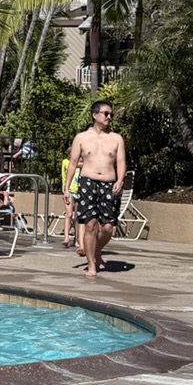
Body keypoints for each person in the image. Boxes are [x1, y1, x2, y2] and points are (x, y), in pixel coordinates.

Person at [68, 99, 126, 278]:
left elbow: (121, 162)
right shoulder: (81, 138)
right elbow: (72, 164)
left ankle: (94, 251)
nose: (109, 117)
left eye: (111, 114)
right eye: (106, 114)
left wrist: (120, 180)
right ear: (95, 115)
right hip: (87, 183)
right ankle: (91, 264)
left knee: (108, 227)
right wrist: (66, 188)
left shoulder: (116, 138)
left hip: (109, 183)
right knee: (91, 225)